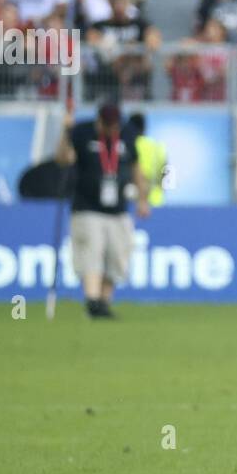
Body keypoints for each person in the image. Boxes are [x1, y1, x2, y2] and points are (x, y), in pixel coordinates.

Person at [55, 103, 152, 319]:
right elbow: (63, 159)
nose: (113, 130)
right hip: (86, 206)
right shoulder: (81, 132)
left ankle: (103, 303)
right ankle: (92, 300)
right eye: (109, 126)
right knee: (92, 251)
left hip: (118, 209)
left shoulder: (127, 135)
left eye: (116, 125)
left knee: (118, 255)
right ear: (99, 121)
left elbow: (136, 168)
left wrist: (143, 199)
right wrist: (65, 132)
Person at [127, 112, 169, 206]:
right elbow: (168, 173)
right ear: (144, 127)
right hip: (156, 200)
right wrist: (162, 191)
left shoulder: (128, 145)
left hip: (133, 200)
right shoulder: (157, 146)